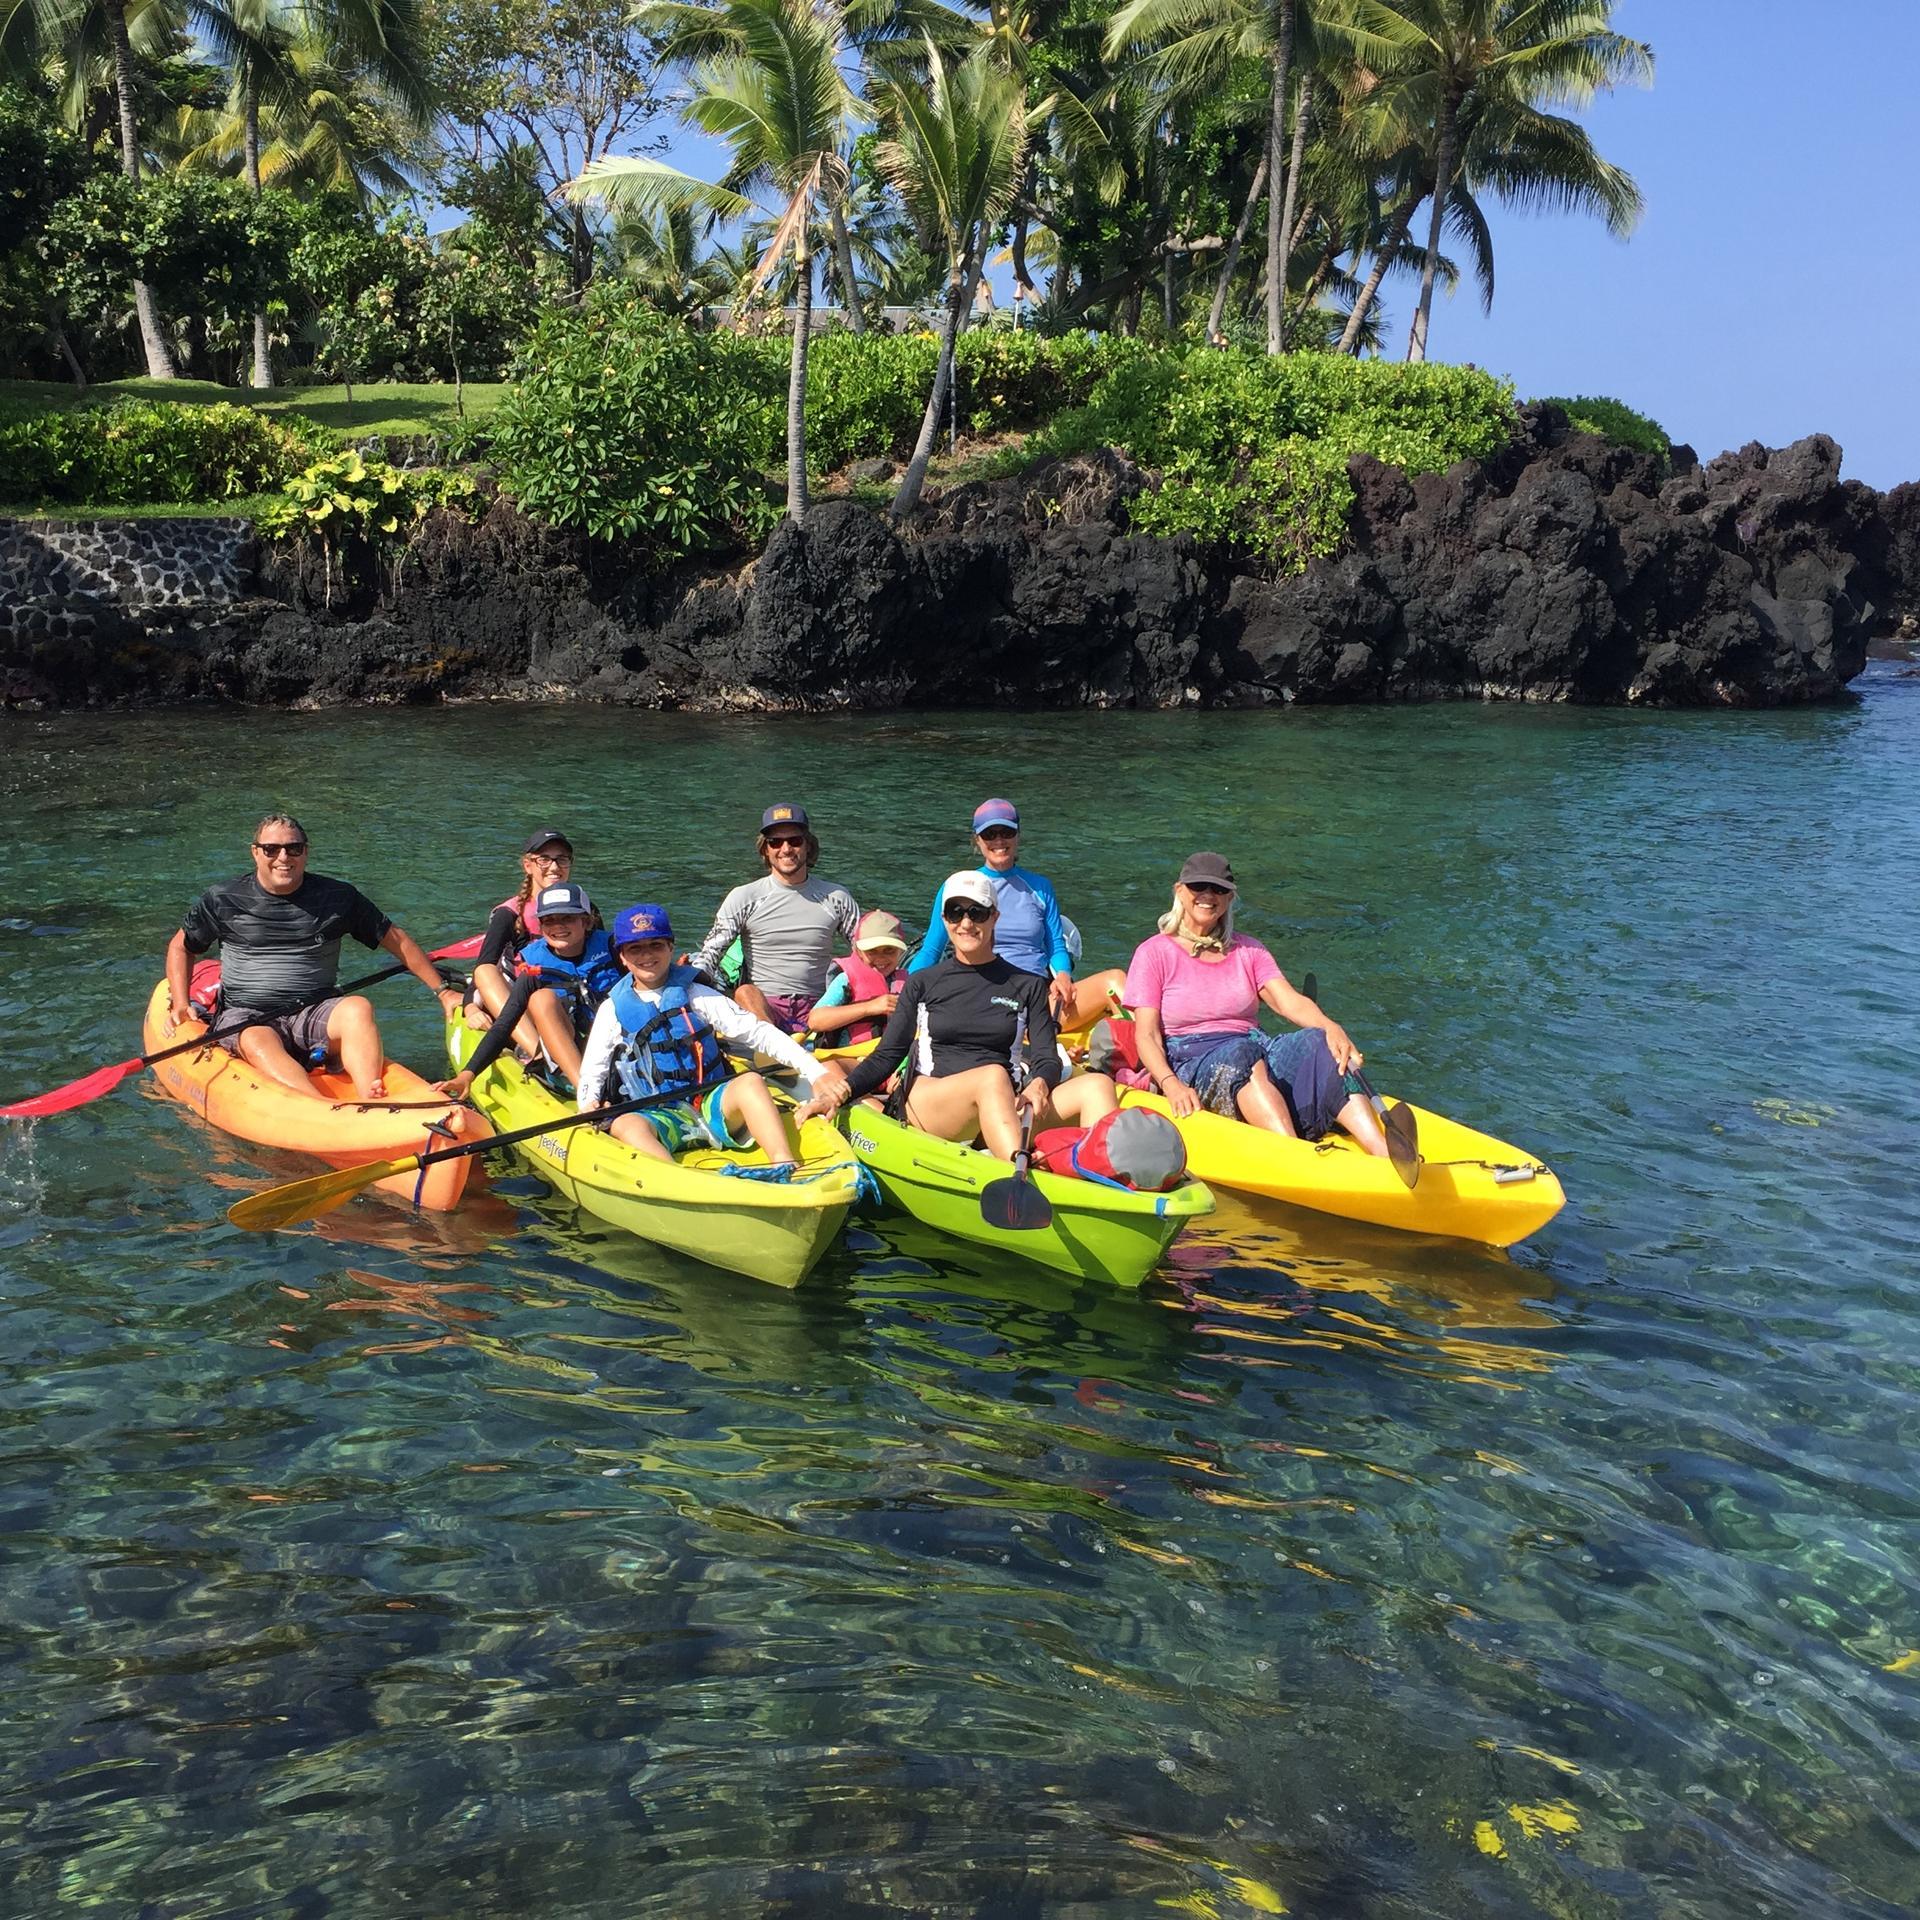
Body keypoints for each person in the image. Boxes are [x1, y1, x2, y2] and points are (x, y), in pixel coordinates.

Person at [798, 872, 1117, 1158]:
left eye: (976, 912)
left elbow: (1046, 1057)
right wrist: (842, 1093)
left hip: (1007, 1103)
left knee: (1098, 1085)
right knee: (991, 1076)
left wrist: (1040, 1084)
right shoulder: (923, 982)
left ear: (994, 917)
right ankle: (1015, 1173)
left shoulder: (1028, 985)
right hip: (934, 1105)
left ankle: (1098, 1177)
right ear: (945, 919)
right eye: (955, 913)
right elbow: (888, 1054)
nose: (966, 923)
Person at [163, 812, 462, 1102]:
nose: (283, 857)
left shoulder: (338, 897)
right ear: (255, 852)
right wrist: (180, 1002)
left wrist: (443, 992)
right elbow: (182, 947)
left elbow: (396, 939)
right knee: (257, 1039)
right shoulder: (223, 898)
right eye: (271, 849)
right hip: (247, 1014)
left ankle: (370, 1095)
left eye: (294, 848)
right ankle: (319, 1108)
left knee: (358, 1007)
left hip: (313, 1010)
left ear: (306, 852)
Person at [1122, 852, 1388, 1155]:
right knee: (1242, 1053)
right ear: (1179, 891)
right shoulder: (1153, 953)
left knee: (1318, 1040)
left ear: (1230, 897)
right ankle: (1293, 1155)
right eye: (1199, 886)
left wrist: (1332, 1028)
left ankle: (1383, 1151)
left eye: (1219, 889)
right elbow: (1146, 1035)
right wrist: (1170, 1084)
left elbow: (1287, 1001)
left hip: (1252, 1047)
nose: (1209, 896)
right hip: (1190, 1060)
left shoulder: (1249, 950)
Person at [580, 903, 849, 1167]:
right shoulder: (613, 1009)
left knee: (751, 1081)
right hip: (656, 1114)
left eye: (656, 945)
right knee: (627, 1125)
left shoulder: (696, 994)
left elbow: (759, 1033)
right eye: (635, 948)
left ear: (670, 948)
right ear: (623, 958)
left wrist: (815, 1072)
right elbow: (594, 1066)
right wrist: (588, 1103)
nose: (647, 955)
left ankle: (783, 1162)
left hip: (710, 1104)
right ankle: (676, 1181)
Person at [909, 798, 1125, 1027]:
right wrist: (909, 989)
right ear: (977, 840)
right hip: (981, 995)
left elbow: (1056, 946)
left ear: (1018, 835)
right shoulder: (958, 888)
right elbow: (932, 950)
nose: (999, 840)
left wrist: (1062, 975)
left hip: (1037, 999)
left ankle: (1150, 1047)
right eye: (990, 834)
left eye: (1006, 832)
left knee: (1115, 980)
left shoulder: (1040, 887)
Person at [437, 882, 619, 1099]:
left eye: (567, 918)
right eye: (549, 920)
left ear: (587, 922)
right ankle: (587, 1093)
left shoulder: (614, 948)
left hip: (616, 1047)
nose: (558, 926)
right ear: (541, 927)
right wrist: (468, 1074)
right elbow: (505, 1024)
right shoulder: (534, 965)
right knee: (542, 999)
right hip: (571, 1056)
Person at [691, 803, 861, 1034]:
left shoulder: (836, 898)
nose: (786, 848)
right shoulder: (744, 897)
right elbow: (712, 952)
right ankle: (771, 1040)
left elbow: (864, 953)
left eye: (795, 840)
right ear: (765, 849)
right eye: (775, 842)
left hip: (820, 1007)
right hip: (763, 1008)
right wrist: (690, 980)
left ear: (808, 846)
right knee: (744, 992)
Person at [469, 828, 577, 1058]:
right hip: (523, 996)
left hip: (569, 990)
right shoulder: (508, 915)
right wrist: (469, 1006)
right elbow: (484, 966)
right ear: (528, 865)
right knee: (488, 973)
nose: (554, 867)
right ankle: (536, 1051)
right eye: (544, 859)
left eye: (561, 859)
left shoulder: (584, 910)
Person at [807, 909, 911, 1044]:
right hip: (850, 1055)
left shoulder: (909, 982)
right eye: (871, 951)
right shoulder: (846, 980)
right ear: (858, 951)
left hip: (892, 1058)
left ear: (900, 951)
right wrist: (870, 1007)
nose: (881, 958)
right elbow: (815, 1021)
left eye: (889, 950)